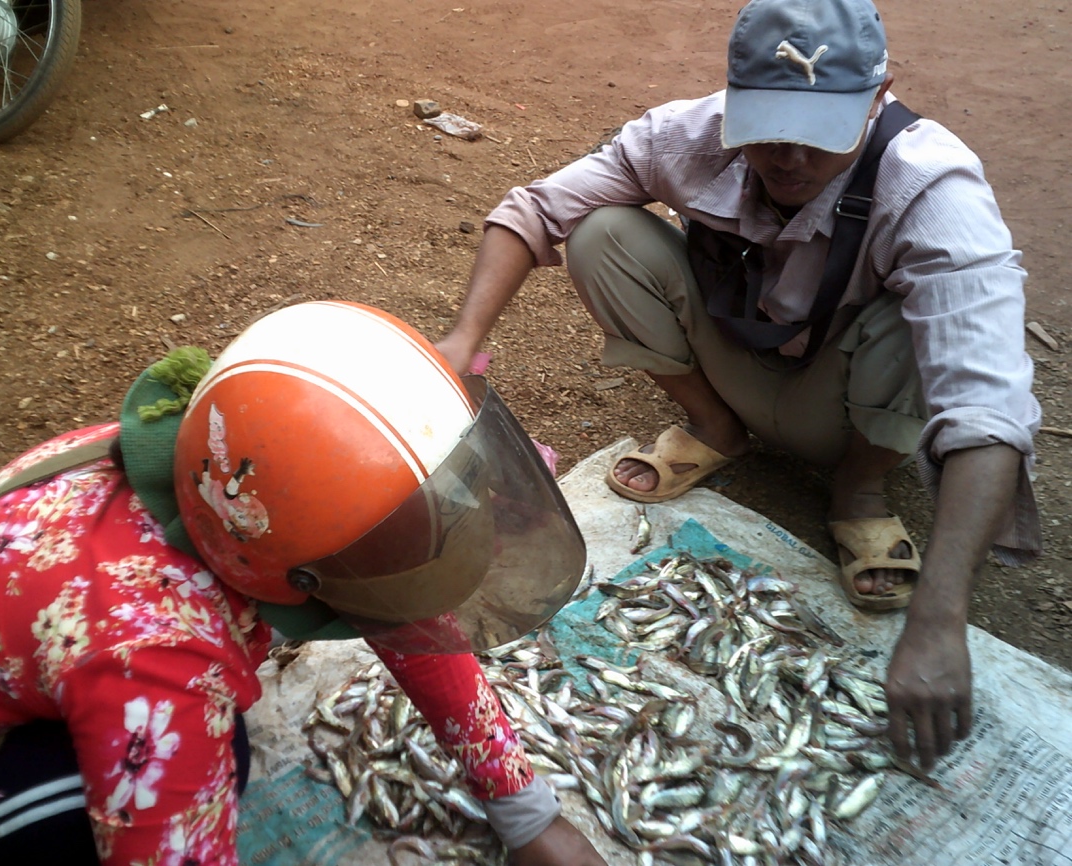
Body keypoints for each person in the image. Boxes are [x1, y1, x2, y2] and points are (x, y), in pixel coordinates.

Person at [435, 0, 1041, 773]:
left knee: (921, 322)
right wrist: (462, 343)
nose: (788, 155)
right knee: (601, 234)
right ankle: (716, 428)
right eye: (769, 124)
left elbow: (987, 408)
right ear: (733, 93)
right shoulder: (689, 134)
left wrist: (941, 615)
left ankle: (857, 489)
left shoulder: (932, 186)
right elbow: (535, 208)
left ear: (880, 94)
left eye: (818, 131)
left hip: (848, 395)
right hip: (736, 353)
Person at [0, 301, 608, 866]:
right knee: (207, 758)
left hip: (43, 645)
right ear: (292, 575)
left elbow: (401, 613)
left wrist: (522, 808)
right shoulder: (166, 661)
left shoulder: (232, 455)